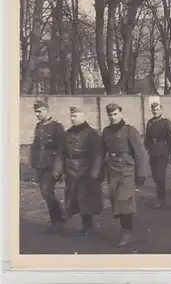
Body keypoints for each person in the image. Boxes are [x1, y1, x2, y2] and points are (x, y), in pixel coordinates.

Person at [101, 103, 148, 247]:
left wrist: (141, 173)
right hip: (112, 170)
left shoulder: (129, 131)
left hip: (127, 169)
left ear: (121, 114)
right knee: (117, 200)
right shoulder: (106, 131)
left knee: (124, 200)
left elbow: (140, 153)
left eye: (115, 114)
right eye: (110, 115)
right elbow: (101, 153)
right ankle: (125, 229)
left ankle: (127, 232)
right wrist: (98, 172)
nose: (113, 117)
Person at [61, 106, 103, 236]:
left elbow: (98, 154)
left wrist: (95, 172)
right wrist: (59, 168)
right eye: (71, 116)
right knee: (73, 198)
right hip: (71, 170)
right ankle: (82, 226)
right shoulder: (68, 133)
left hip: (86, 170)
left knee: (85, 199)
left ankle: (88, 227)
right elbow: (62, 152)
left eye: (75, 116)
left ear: (83, 116)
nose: (72, 118)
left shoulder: (92, 133)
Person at [30, 100, 66, 233]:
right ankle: (56, 220)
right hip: (41, 164)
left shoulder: (56, 126)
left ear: (46, 110)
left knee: (47, 191)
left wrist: (58, 166)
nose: (37, 114)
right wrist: (33, 163)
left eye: (39, 111)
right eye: (36, 112)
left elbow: (62, 148)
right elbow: (35, 146)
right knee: (45, 193)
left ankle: (59, 220)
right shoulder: (39, 126)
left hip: (52, 165)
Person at [144, 102, 171, 209]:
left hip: (163, 151)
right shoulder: (150, 122)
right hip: (152, 151)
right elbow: (147, 137)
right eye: (153, 110)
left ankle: (161, 198)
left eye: (157, 109)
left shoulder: (166, 122)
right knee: (154, 176)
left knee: (160, 176)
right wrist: (146, 148)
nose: (155, 111)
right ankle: (161, 195)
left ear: (161, 110)